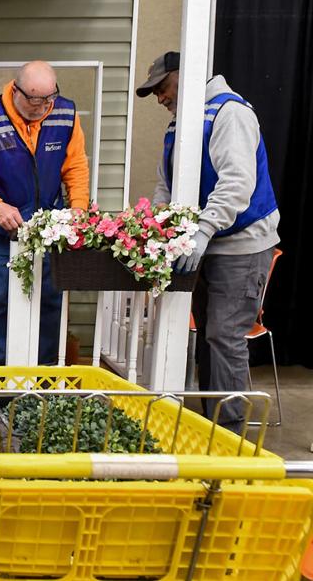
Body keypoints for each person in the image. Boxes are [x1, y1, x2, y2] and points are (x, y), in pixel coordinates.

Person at [137, 51, 280, 429]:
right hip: (204, 246)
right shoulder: (179, 124)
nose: (160, 98)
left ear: (184, 76)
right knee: (207, 337)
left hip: (241, 245)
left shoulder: (229, 113)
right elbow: (165, 184)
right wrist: (157, 224)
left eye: (162, 88)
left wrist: (202, 230)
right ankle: (208, 426)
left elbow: (237, 184)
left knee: (224, 337)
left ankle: (230, 438)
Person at [0, 61, 90, 365]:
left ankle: (43, 380)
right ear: (16, 89)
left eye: (48, 100)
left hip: (49, 231)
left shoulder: (65, 114)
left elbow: (75, 166)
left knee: (50, 302)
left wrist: (77, 210)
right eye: (34, 101)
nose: (41, 108)